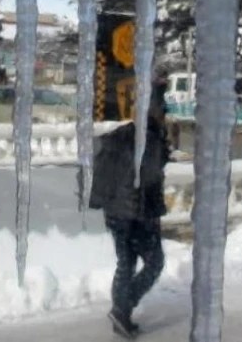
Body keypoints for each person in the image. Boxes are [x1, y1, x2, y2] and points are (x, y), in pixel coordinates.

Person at [89, 78, 171, 339]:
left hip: (116, 210)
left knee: (126, 262)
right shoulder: (151, 138)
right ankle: (122, 309)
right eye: (163, 108)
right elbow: (150, 176)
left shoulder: (126, 134)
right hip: (136, 212)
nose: (165, 113)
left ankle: (121, 312)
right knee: (154, 262)